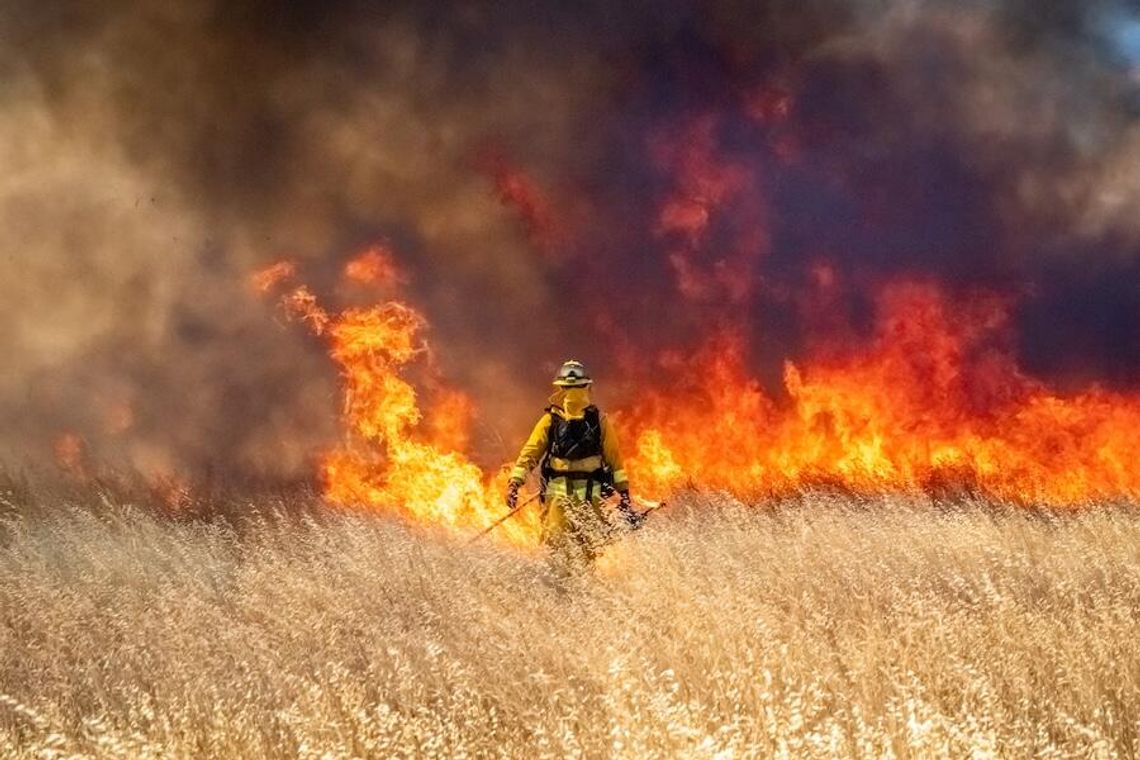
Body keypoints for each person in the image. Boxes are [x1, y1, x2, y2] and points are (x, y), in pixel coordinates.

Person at [506, 360, 640, 572]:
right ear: (588, 386)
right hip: (587, 498)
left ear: (559, 388)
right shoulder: (598, 421)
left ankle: (566, 586)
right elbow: (615, 461)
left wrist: (515, 483)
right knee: (586, 551)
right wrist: (624, 495)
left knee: (559, 548)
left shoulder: (551, 420)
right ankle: (582, 585)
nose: (573, 393)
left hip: (560, 499)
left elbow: (530, 453)